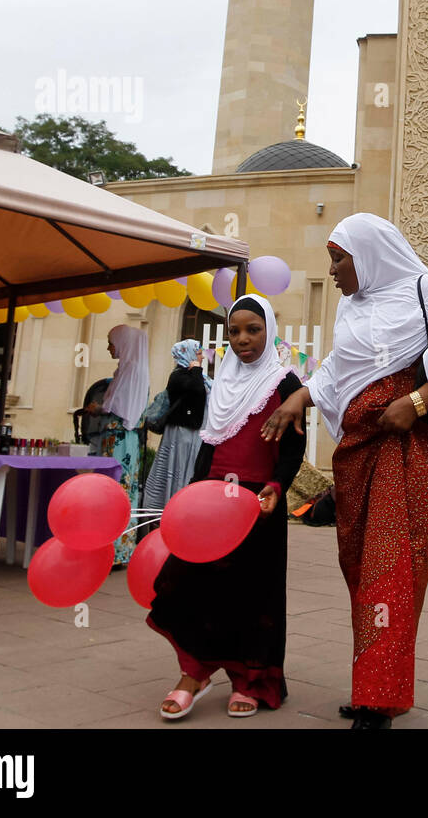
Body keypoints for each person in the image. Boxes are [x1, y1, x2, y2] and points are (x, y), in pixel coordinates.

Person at [262, 213, 428, 729]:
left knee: (392, 569)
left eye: (340, 260)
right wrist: (301, 395)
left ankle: (378, 696)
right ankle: (375, 687)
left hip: (411, 452)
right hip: (360, 451)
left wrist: (419, 400)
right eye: (332, 261)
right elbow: (341, 367)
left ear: (369, 256)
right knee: (362, 569)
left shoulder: (427, 290)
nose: (334, 271)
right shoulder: (351, 308)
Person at [148, 295, 305, 720]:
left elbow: (293, 448)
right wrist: (193, 496)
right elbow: (209, 445)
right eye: (234, 331)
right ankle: (194, 673)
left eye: (253, 329)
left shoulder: (284, 384)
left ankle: (248, 680)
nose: (242, 339)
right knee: (189, 583)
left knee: (251, 595)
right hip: (212, 503)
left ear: (269, 331)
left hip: (259, 506)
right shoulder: (222, 382)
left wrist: (276, 486)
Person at [84, 325, 148, 565]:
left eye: (112, 342)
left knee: (114, 492)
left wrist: (97, 408)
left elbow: (118, 409)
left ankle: (111, 550)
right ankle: (120, 550)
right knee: (124, 493)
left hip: (117, 438)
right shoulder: (134, 369)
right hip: (126, 439)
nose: (109, 347)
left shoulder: (129, 370)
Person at [143, 339, 211, 513]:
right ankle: (176, 509)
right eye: (198, 353)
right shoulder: (179, 376)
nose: (202, 356)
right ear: (187, 355)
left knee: (190, 469)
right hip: (181, 434)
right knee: (179, 469)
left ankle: (188, 508)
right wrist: (196, 369)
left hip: (194, 434)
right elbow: (196, 391)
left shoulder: (199, 376)